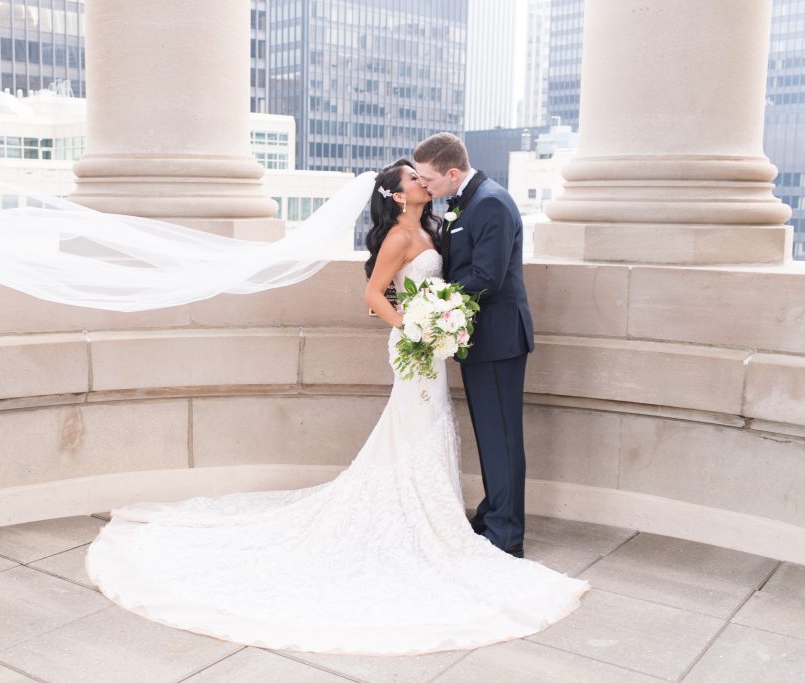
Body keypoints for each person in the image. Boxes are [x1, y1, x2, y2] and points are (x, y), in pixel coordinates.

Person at [85, 159, 587, 655]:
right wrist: (412, 327)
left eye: (424, 175)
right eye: (413, 178)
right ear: (395, 195)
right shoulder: (397, 238)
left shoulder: (435, 226)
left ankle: (440, 513)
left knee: (431, 425)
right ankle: (426, 516)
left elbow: (457, 276)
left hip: (434, 342)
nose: (421, 182)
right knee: (419, 423)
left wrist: (435, 322)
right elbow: (374, 294)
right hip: (415, 343)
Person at [413, 133, 534, 559]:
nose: (424, 186)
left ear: (452, 172)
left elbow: (486, 276)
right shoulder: (469, 201)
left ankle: (506, 534)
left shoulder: (491, 203)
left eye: (428, 178)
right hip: (479, 340)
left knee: (501, 438)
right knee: (490, 435)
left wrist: (431, 303)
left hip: (499, 340)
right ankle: (491, 514)